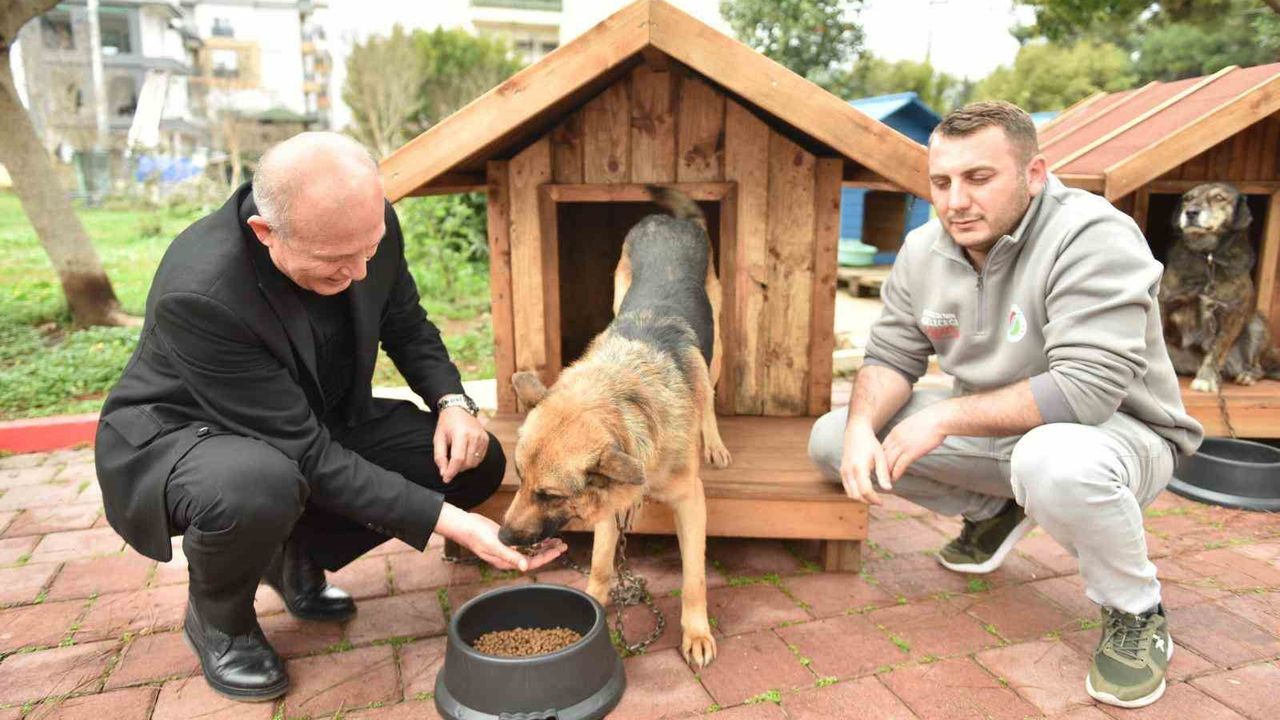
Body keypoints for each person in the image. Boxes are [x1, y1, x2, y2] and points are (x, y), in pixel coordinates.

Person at [94, 132, 565, 701]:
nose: (360, 272)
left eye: (369, 250)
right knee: (257, 486)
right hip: (190, 434)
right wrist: (456, 525)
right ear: (266, 232)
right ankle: (220, 620)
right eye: (337, 262)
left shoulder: (364, 226)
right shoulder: (203, 292)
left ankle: (293, 552)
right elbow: (308, 455)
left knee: (472, 460)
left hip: (305, 420)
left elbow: (406, 324)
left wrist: (453, 404)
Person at [808, 102, 1203, 709]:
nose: (956, 202)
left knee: (1054, 460)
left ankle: (1136, 611)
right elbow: (890, 355)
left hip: (1118, 436)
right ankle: (997, 508)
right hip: (999, 430)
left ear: (1033, 174)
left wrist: (942, 417)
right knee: (833, 440)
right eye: (942, 182)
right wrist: (862, 424)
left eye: (979, 178)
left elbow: (1087, 388)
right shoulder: (922, 250)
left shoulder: (1093, 235)